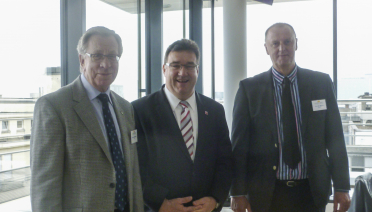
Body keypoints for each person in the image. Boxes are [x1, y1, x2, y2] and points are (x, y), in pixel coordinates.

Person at [230, 23, 350, 212]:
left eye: (287, 42)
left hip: (312, 191)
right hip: (266, 193)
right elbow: (239, 146)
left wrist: (342, 186)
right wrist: (237, 192)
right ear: (266, 48)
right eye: (275, 43)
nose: (282, 48)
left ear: (296, 44)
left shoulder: (321, 83)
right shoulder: (249, 89)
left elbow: (335, 138)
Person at [30, 26, 144, 212]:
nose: (105, 64)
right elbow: (45, 185)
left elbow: (133, 174)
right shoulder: (54, 106)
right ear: (82, 60)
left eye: (112, 56)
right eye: (97, 55)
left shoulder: (125, 108)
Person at [132, 39, 233, 212]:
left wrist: (215, 199)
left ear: (197, 70)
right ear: (164, 69)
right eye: (175, 65)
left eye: (189, 66)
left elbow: (225, 161)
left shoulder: (215, 110)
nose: (182, 72)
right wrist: (160, 203)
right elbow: (135, 165)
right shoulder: (139, 110)